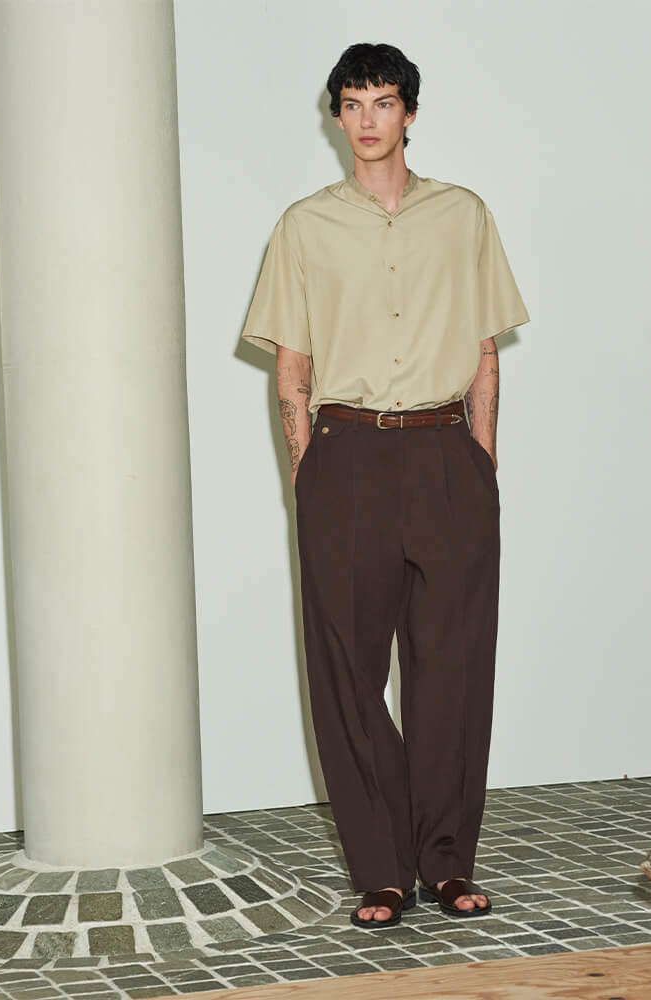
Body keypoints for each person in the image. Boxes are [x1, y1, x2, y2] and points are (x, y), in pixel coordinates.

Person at [240, 42, 530, 929]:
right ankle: (382, 869)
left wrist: (481, 460)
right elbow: (292, 366)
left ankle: (446, 862)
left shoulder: (463, 215)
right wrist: (308, 470)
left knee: (453, 671)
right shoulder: (303, 226)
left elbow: (483, 351)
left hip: (446, 454)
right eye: (353, 103)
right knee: (347, 674)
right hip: (347, 458)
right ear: (336, 116)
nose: (367, 119)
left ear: (409, 112)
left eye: (384, 102)